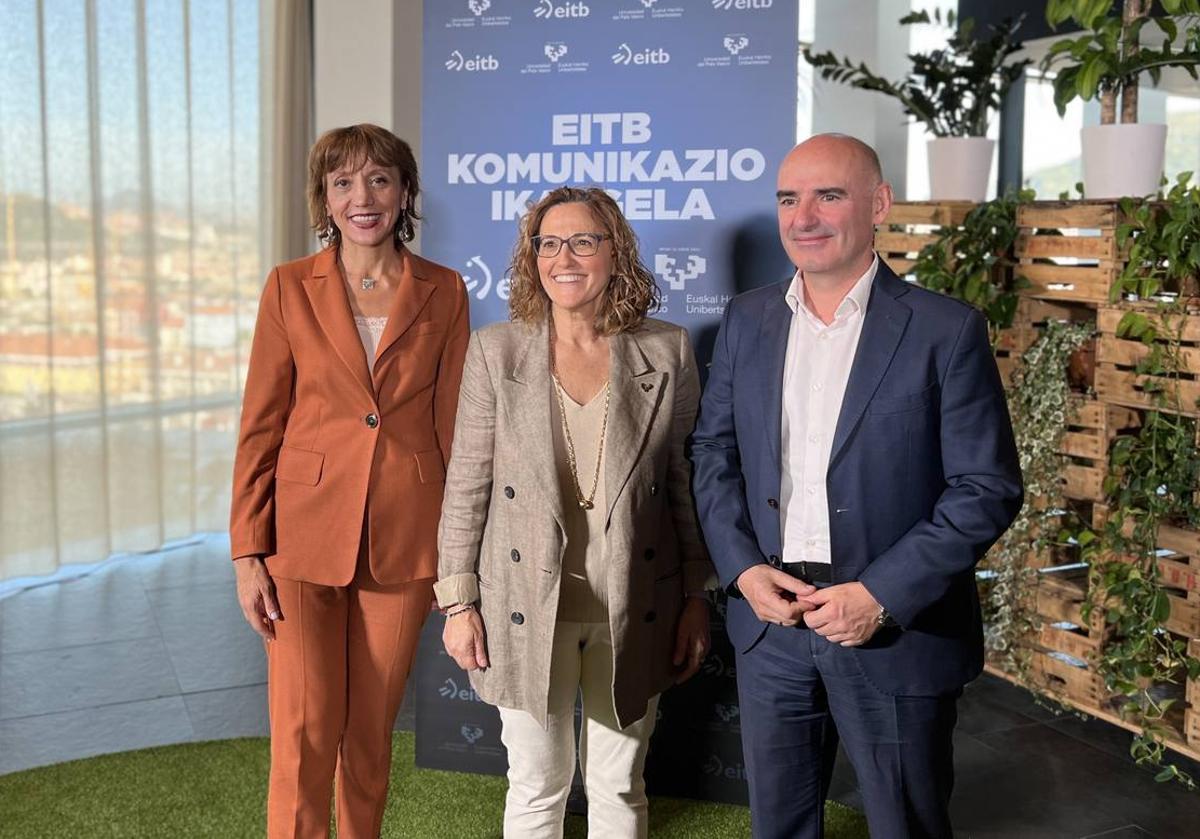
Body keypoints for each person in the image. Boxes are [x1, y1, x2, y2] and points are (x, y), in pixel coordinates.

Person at [690, 133, 1022, 839]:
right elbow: (714, 451)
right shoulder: (747, 320)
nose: (803, 216)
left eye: (828, 195)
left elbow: (985, 487)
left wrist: (880, 595)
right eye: (788, 198)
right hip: (772, 623)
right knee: (778, 826)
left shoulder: (946, 330)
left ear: (878, 205)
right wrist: (743, 570)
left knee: (908, 824)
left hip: (894, 630)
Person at [434, 186, 716, 839]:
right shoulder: (495, 351)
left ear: (614, 251)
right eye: (548, 242)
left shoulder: (667, 349)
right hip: (523, 602)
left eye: (583, 240)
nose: (565, 256)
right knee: (536, 785)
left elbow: (684, 482)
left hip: (635, 603)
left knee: (620, 785)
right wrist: (457, 602)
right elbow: (467, 483)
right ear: (532, 257)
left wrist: (697, 595)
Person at [229, 124, 469, 838]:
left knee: (368, 736)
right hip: (299, 540)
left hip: (406, 538)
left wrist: (458, 560)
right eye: (343, 183)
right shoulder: (287, 287)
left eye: (379, 180)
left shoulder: (445, 290)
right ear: (325, 200)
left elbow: (457, 428)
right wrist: (248, 552)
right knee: (302, 731)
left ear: (404, 194)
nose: (362, 197)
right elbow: (260, 425)